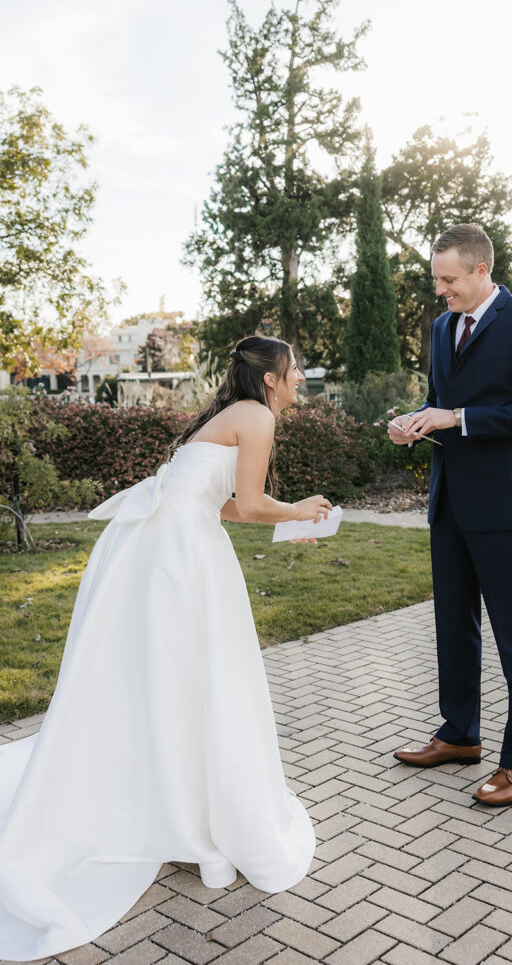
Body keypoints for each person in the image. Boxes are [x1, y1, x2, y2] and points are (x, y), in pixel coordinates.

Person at [0, 335, 332, 961]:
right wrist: (298, 510)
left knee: (168, 673)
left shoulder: (232, 413)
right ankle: (184, 803)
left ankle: (172, 791)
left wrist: (291, 519)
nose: (300, 379)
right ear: (271, 378)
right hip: (177, 552)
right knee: (191, 675)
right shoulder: (257, 416)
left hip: (163, 543)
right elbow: (251, 503)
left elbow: (225, 505)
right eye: (295, 370)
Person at [390, 224, 512, 807]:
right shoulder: (442, 327)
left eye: (449, 279)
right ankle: (460, 735)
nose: (440, 290)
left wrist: (458, 418)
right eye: (436, 279)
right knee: (453, 627)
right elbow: (439, 400)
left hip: (505, 506)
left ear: (481, 269)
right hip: (449, 502)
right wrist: (415, 421)